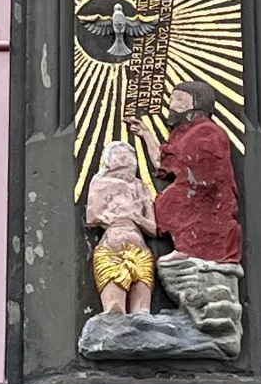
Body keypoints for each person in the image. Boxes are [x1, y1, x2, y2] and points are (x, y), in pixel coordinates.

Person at [126, 81, 242, 264]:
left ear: (196, 104)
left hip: (208, 196)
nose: (171, 105)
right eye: (171, 99)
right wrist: (146, 133)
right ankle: (185, 248)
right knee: (169, 202)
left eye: (179, 99)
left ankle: (191, 250)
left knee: (173, 202)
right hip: (194, 189)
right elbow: (163, 163)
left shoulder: (207, 132)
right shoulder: (185, 134)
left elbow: (208, 175)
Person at [85, 141, 157, 314]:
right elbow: (93, 215)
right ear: (109, 160)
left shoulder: (140, 187)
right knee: (114, 311)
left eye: (128, 155)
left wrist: (136, 217)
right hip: (112, 249)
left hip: (140, 251)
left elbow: (153, 228)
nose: (124, 158)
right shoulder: (100, 183)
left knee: (142, 313)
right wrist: (118, 214)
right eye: (119, 154)